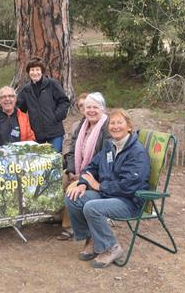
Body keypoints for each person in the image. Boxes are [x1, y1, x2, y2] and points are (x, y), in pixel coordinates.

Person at [65, 108, 150, 268]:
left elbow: (130, 186)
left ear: (129, 127)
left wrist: (99, 186)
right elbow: (91, 167)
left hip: (129, 202)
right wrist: (83, 182)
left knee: (92, 207)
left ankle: (111, 247)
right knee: (73, 197)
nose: (115, 126)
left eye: (120, 123)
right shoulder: (110, 146)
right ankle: (92, 239)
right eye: (112, 123)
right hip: (108, 195)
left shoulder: (136, 152)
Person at [58, 92, 111, 240]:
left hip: (96, 175)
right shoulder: (82, 125)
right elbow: (73, 149)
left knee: (72, 189)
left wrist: (82, 176)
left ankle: (71, 227)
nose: (91, 110)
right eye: (88, 107)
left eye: (95, 107)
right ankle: (58, 216)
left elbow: (104, 160)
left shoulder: (106, 128)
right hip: (79, 169)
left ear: (103, 109)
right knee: (59, 179)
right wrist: (71, 170)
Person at [16, 57, 70, 152]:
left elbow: (64, 101)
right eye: (32, 70)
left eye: (37, 69)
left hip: (54, 131)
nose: (35, 72)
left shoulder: (52, 84)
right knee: (39, 162)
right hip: (36, 133)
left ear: (42, 71)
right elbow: (20, 109)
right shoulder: (26, 90)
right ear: (28, 72)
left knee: (54, 159)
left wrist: (55, 116)